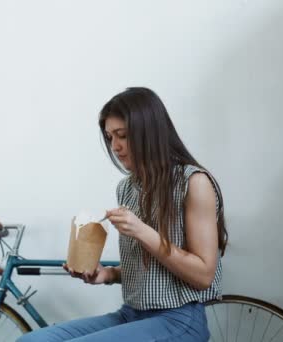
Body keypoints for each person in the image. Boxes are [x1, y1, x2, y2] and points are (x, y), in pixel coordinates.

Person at [17, 87, 228, 342]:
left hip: (179, 319)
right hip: (132, 314)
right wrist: (107, 274)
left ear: (149, 133)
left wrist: (141, 231)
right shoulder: (127, 187)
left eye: (123, 135)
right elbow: (149, 273)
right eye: (109, 137)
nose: (115, 147)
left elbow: (203, 275)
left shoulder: (193, 182)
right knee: (30, 341)